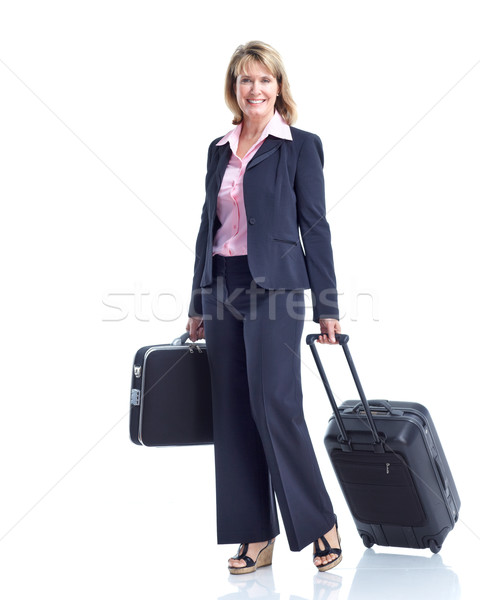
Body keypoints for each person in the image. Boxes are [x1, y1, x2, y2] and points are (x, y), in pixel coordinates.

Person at [185, 41, 342, 574]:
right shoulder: (218, 148)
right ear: (234, 88)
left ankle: (319, 521)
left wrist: (327, 305)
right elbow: (208, 225)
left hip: (274, 288)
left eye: (264, 80)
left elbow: (315, 227)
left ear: (280, 87)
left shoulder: (299, 146)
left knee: (275, 404)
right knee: (230, 411)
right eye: (245, 80)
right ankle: (255, 535)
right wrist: (196, 301)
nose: (255, 89)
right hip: (221, 286)